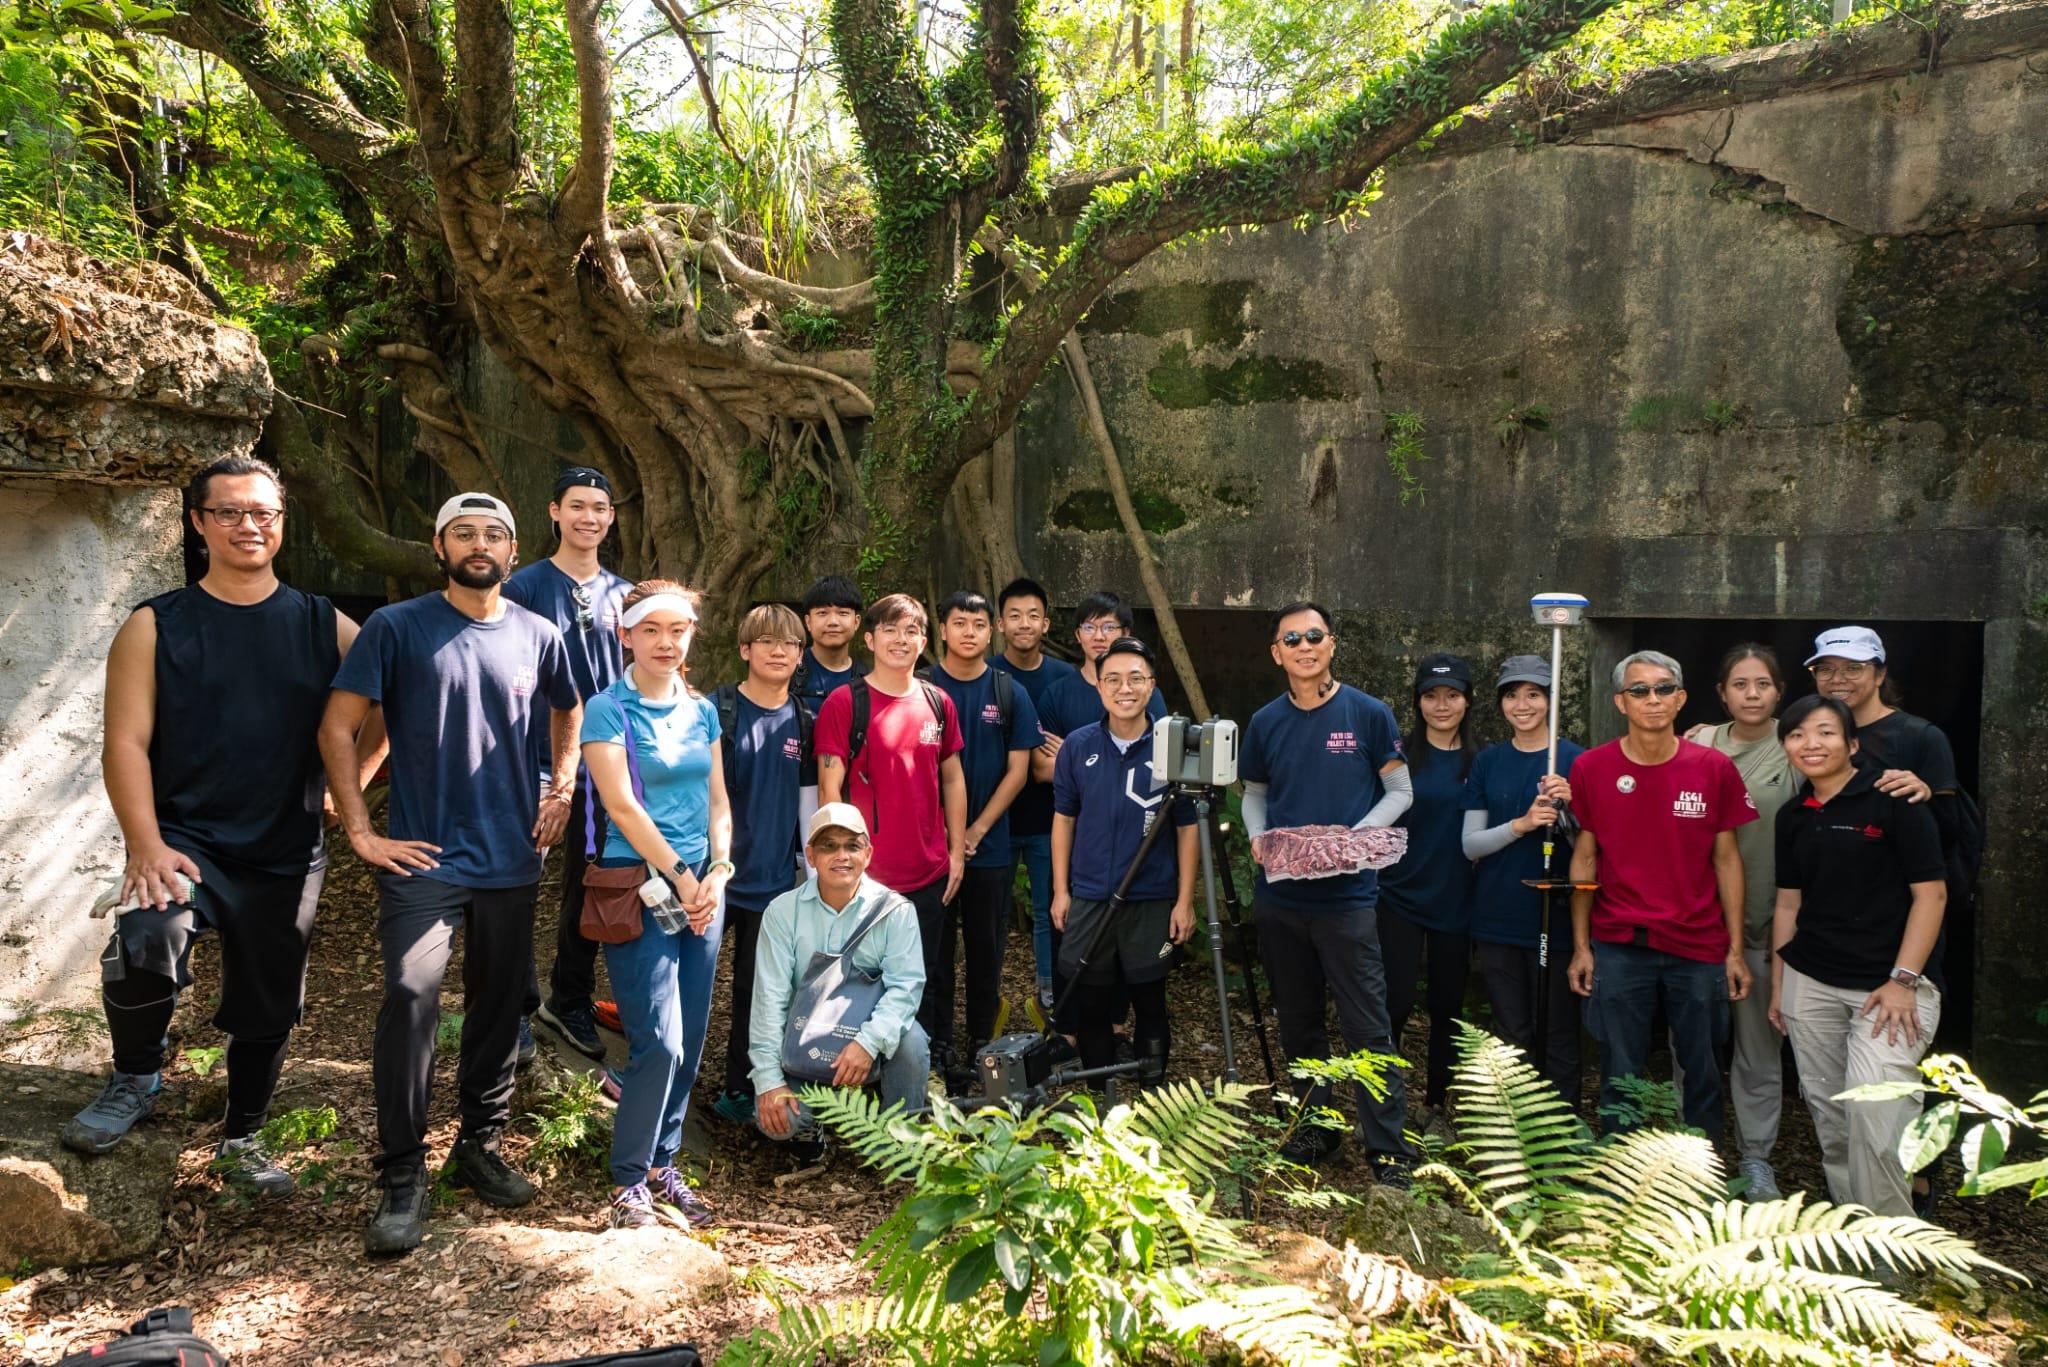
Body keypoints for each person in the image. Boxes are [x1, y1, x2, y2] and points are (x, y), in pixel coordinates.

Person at [64, 455, 382, 1197]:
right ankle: (137, 1078)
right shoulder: (154, 625)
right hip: (186, 842)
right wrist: (145, 845)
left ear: (281, 522)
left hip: (285, 847)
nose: (250, 525)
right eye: (231, 511)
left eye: (263, 512)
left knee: (270, 1003)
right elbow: (125, 743)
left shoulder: (323, 622)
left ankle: (242, 1137)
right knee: (148, 936)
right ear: (200, 522)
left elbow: (387, 708)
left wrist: (350, 789)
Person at [321, 492, 581, 1257]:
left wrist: (560, 788)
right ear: (438, 546)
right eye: (463, 532)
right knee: (410, 994)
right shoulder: (395, 627)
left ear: (512, 548)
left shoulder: (539, 632)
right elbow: (338, 724)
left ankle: (478, 1143)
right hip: (423, 857)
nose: (480, 543)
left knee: (501, 1005)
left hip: (511, 854)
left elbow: (571, 711)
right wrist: (362, 828)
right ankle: (402, 1171)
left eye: (495, 532)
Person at [1239, 602, 1416, 1180]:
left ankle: (1387, 1149)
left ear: (1332, 644)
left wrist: (1350, 842)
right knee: (1299, 1021)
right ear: (1277, 653)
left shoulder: (1368, 713)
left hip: (1348, 901)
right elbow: (1255, 794)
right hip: (1281, 898)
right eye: (1293, 639)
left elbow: (1400, 792)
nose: (1305, 646)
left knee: (1367, 1025)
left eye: (1315, 635)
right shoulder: (1264, 722)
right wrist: (1260, 838)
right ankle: (1317, 1132)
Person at [578, 580, 733, 1231]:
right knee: (658, 1041)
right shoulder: (609, 710)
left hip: (703, 888)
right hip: (638, 885)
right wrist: (678, 873)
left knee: (690, 1039)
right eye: (653, 630)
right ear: (627, 635)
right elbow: (621, 805)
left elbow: (720, 799)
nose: (667, 642)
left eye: (680, 629)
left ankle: (661, 1166)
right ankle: (626, 1179)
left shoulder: (701, 709)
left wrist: (718, 871)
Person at [1768, 695, 1947, 1217]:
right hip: (1811, 980)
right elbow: (1787, 904)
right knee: (1830, 1112)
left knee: (1877, 1111)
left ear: (1851, 744)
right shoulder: (1793, 815)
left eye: (1825, 733)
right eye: (1797, 734)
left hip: (1891, 988)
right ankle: (1851, 1222)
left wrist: (1904, 980)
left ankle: (1893, 1244)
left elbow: (1931, 895)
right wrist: (1780, 985)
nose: (1810, 744)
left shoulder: (1894, 799)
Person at [1566, 651, 1753, 1141]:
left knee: (1704, 1067)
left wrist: (1735, 951)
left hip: (1698, 944)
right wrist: (1582, 946)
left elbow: (1728, 860)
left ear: (1682, 697)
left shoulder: (1714, 768)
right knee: (1618, 1069)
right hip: (1620, 942)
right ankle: (1618, 1173)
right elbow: (1585, 859)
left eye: (1664, 688)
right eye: (1639, 690)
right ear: (1620, 703)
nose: (1653, 699)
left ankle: (1702, 1174)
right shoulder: (1591, 767)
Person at [503, 467, 633, 1064]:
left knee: (592, 887)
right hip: (535, 760)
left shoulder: (625, 596)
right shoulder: (523, 587)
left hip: (607, 766)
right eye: (577, 506)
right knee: (519, 885)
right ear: (554, 512)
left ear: (610, 517)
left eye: (599, 507)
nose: (589, 517)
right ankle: (514, 1008)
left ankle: (569, 998)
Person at [815, 593, 967, 1058]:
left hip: (928, 872)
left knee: (926, 976)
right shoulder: (845, 703)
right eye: (890, 630)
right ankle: (854, 1085)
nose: (901, 640)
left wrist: (956, 852)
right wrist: (841, 867)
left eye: (911, 631)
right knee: (860, 986)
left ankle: (923, 1076)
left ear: (925, 640)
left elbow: (953, 777)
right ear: (870, 638)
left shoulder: (938, 703)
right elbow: (829, 789)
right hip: (868, 879)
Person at [1050, 638, 1197, 1087]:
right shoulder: (1078, 745)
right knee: (1091, 1003)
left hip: (1152, 898)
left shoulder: (1173, 746)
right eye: (1112, 679)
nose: (1124, 688)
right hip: (1090, 896)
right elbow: (1063, 819)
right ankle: (1100, 1094)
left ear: (1152, 686)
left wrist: (1184, 900)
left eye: (1136, 678)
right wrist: (1061, 890)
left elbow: (1188, 827)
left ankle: (1154, 1096)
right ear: (1098, 686)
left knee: (1150, 999)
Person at [751, 803, 931, 1163]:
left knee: (911, 1041)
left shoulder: (895, 912)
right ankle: (809, 1125)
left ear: (868, 853)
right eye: (829, 846)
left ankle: (897, 1144)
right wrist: (769, 1081)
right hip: (805, 1047)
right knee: (777, 1122)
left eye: (852, 845)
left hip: (864, 1042)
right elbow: (769, 1000)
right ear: (811, 856)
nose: (841, 855)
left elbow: (905, 988)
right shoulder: (782, 913)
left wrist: (867, 1044)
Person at [1687, 645, 1793, 1200]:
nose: (1752, 694)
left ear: (1779, 691)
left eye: (1763, 684)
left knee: (1758, 1049)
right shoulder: (1698, 743)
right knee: (1693, 1047)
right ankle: (1688, 1155)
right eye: (1740, 684)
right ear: (1722, 692)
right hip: (1697, 924)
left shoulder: (1797, 744)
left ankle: (1756, 1159)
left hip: (1765, 926)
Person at [706, 603, 818, 1129]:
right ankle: (666, 1085)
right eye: (766, 641)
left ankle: (736, 1090)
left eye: (790, 644)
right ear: (745, 649)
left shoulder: (805, 720)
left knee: (758, 995)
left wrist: (809, 877)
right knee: (689, 985)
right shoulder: (718, 710)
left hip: (772, 883)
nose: (779, 651)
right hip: (710, 878)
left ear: (801, 655)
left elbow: (807, 804)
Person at [1030, 590, 1167, 1015]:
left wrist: (1079, 763)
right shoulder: (1059, 693)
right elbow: (1040, 767)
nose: (1098, 635)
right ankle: (1071, 1028)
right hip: (1085, 856)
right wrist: (1084, 763)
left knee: (1139, 968)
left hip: (1141, 858)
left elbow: (1161, 763)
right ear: (1076, 635)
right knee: (1076, 949)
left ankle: (1123, 1028)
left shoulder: (1148, 695)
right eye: (1089, 627)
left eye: (1109, 627)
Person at [924, 590, 1040, 1068]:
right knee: (935, 955)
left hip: (990, 848)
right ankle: (939, 1046)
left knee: (986, 953)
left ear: (990, 631)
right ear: (943, 630)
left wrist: (975, 831)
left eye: (977, 624)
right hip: (929, 849)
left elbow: (1019, 771)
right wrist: (949, 837)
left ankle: (980, 1046)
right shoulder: (922, 687)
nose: (968, 632)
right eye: (959, 623)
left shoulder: (1008, 691)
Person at [1461, 656, 1584, 1104]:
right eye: (1512, 694)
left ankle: (1562, 1133)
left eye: (1534, 694)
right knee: (1511, 1031)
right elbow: (1470, 845)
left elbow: (1594, 845)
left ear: (1550, 701)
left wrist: (1571, 808)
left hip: (1556, 919)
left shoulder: (1577, 760)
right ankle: (1515, 1130)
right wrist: (1523, 823)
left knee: (1558, 1031)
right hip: (1497, 916)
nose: (1522, 704)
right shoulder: (1489, 761)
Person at [1374, 653, 1477, 1127]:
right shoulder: (1398, 758)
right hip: (1398, 896)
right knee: (1393, 1003)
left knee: (1447, 1007)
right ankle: (1382, 1104)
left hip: (1457, 900)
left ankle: (1437, 1106)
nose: (1442, 705)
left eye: (1452, 696)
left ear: (1467, 702)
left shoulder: (1482, 761)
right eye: (1431, 696)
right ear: (1418, 702)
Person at [989, 577, 1079, 1014]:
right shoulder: (985, 674)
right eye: (1014, 615)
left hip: (1051, 817)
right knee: (992, 916)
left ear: (1046, 623)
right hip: (997, 819)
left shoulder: (1066, 678)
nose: (1024, 624)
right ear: (1000, 623)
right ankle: (990, 1000)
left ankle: (1049, 995)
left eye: (1033, 615)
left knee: (1051, 913)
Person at [793, 575, 867, 712]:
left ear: (856, 622)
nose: (833, 621)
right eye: (822, 613)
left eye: (843, 613)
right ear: (808, 622)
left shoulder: (867, 680)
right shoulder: (789, 669)